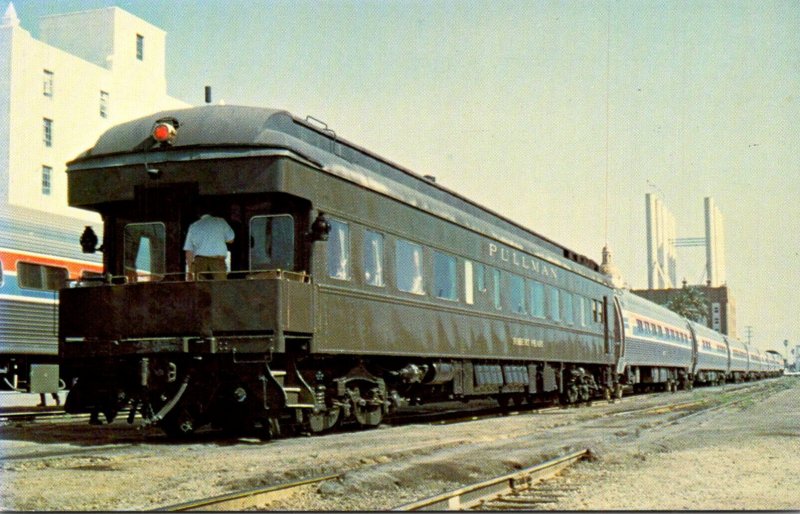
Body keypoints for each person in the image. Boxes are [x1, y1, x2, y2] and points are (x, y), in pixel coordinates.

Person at [184, 210, 235, 280]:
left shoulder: (194, 226)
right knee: (220, 286)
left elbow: (189, 251)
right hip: (217, 261)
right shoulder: (221, 222)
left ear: (198, 215)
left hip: (200, 261)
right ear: (211, 213)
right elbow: (231, 240)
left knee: (200, 287)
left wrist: (189, 271)